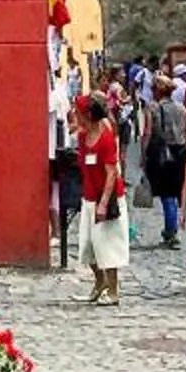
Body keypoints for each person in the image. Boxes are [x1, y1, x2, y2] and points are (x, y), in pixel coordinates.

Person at [74, 89, 130, 308]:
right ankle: (100, 283)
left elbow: (111, 173)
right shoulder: (82, 137)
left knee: (108, 246)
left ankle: (113, 291)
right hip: (89, 198)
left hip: (106, 199)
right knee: (88, 247)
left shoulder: (105, 139)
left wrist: (104, 203)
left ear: (87, 114)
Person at [141, 68, 186, 249]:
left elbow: (147, 133)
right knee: (175, 192)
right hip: (180, 152)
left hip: (161, 153)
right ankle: (172, 228)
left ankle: (171, 231)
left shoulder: (152, 108)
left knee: (167, 195)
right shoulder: (181, 108)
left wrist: (143, 154)